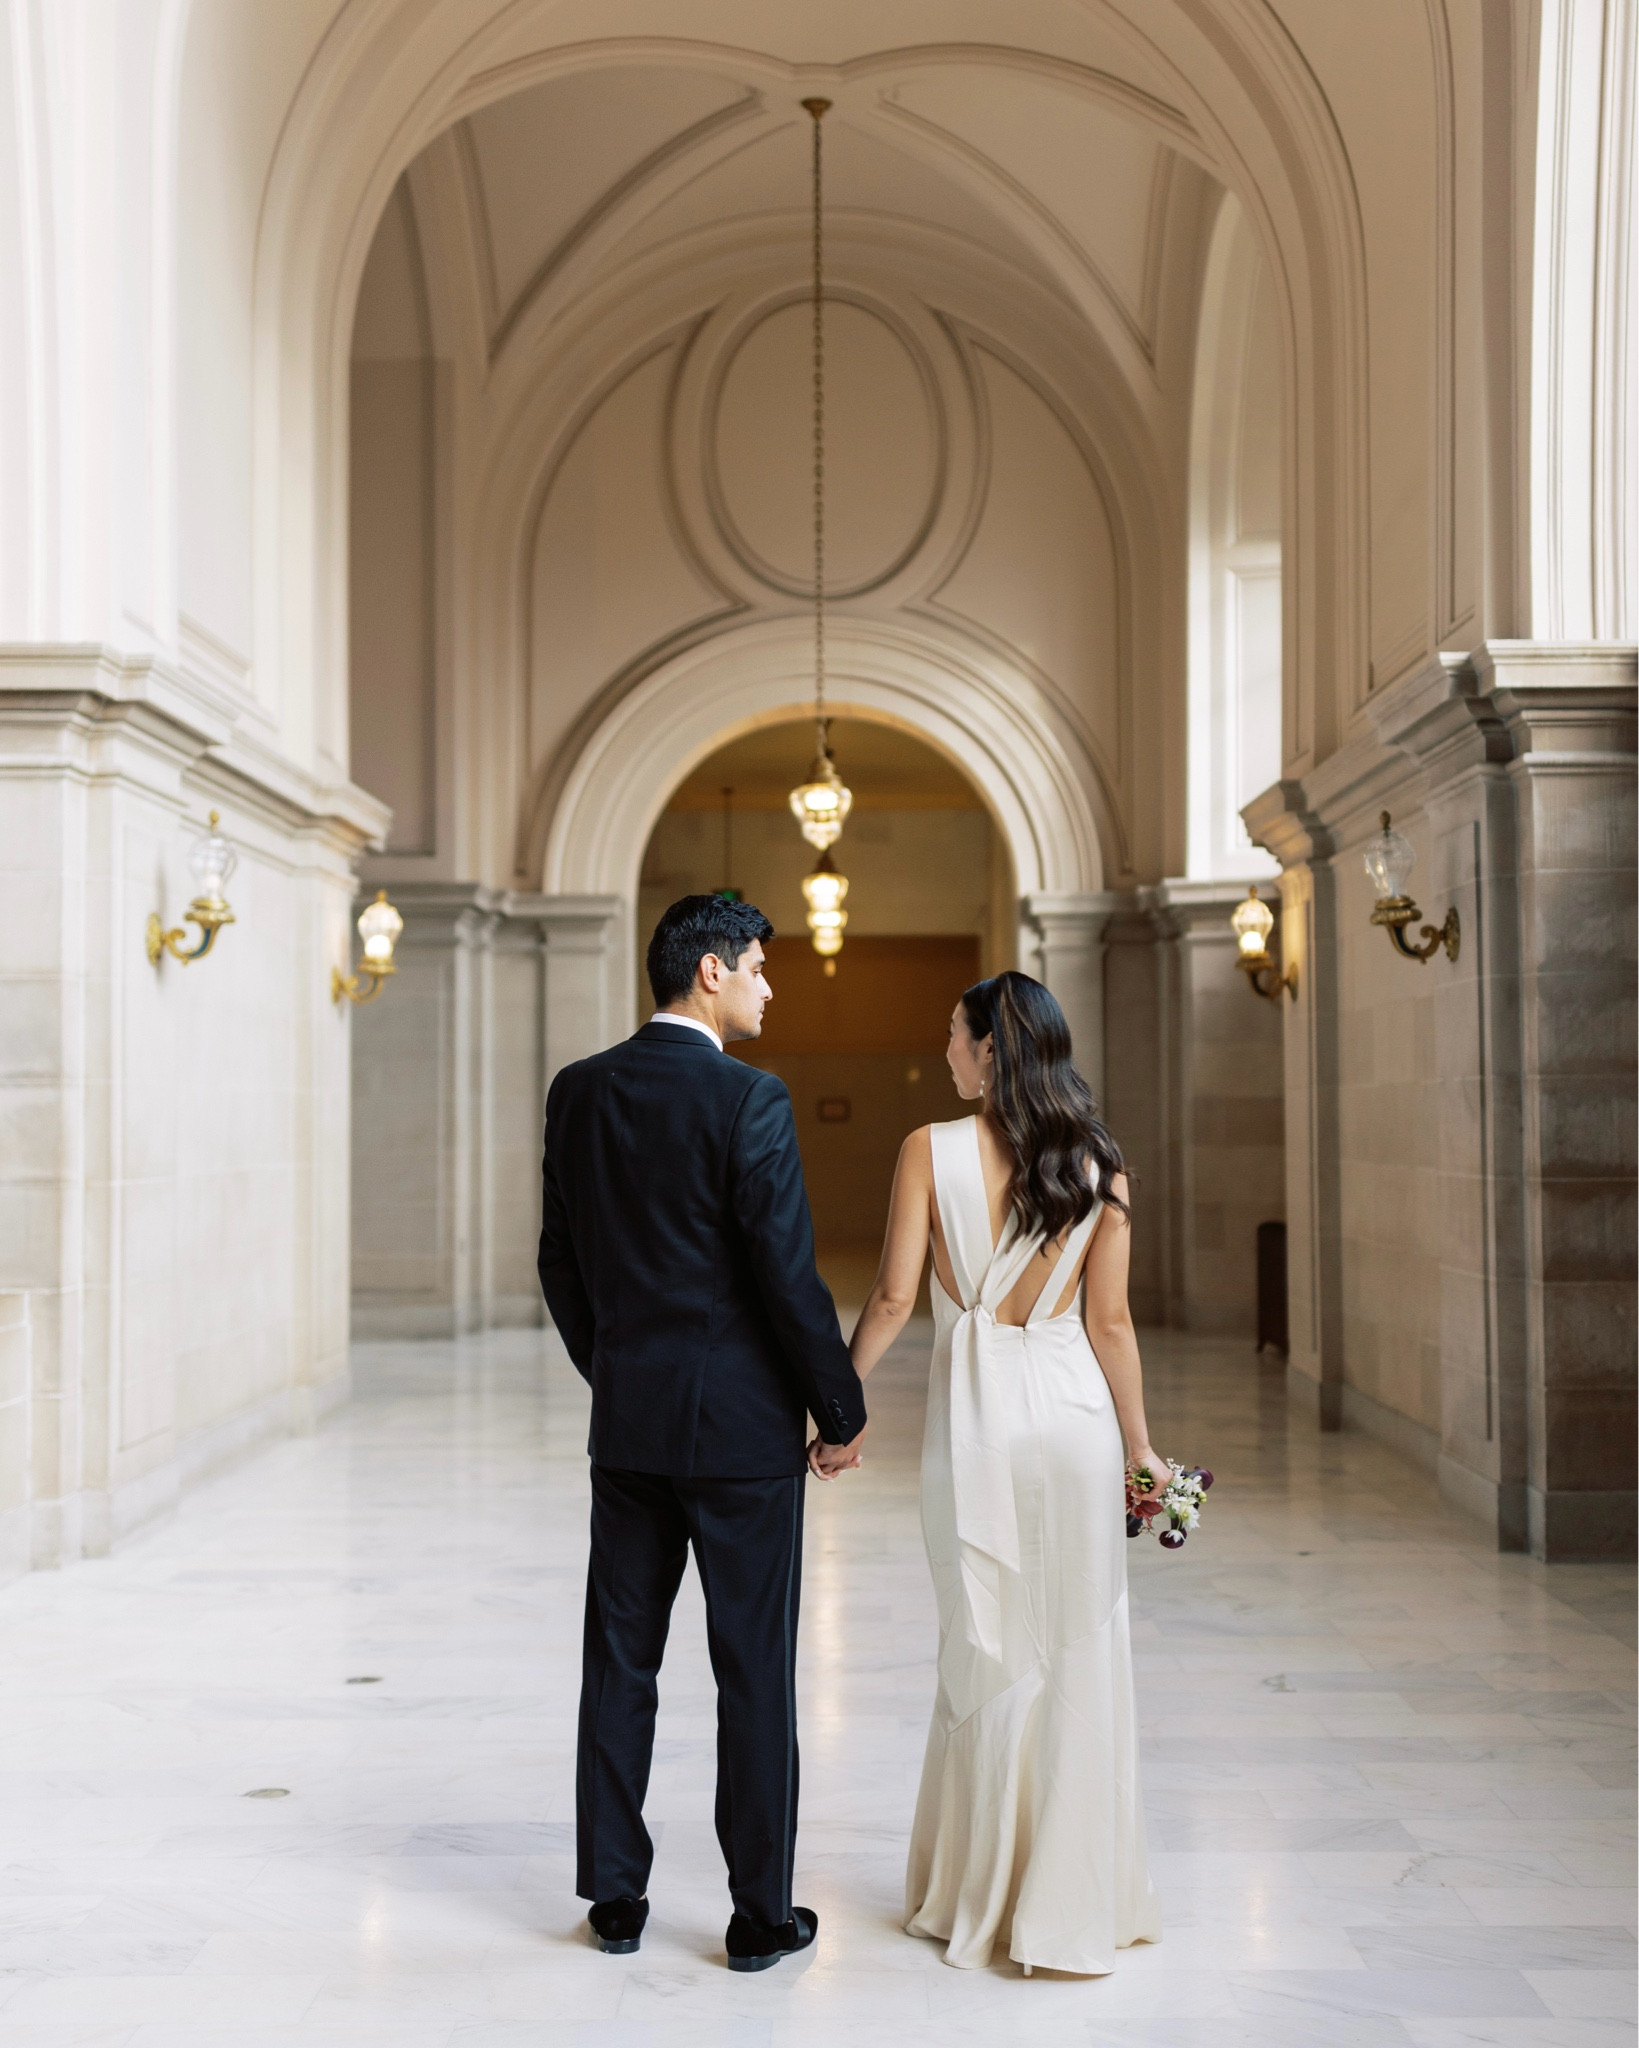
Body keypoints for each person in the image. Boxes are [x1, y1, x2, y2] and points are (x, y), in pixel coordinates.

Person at [538, 895, 867, 1973]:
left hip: (629, 1427)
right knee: (753, 1668)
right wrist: (839, 1406)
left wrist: (618, 1366)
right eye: (762, 968)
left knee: (618, 1660)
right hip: (738, 1437)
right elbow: (785, 1277)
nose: (773, 985)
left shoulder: (579, 1090)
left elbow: (559, 1261)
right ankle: (758, 1914)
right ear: (712, 971)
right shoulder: (748, 1098)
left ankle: (616, 1897)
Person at [825, 969, 1164, 1975]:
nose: (942, 1051)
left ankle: (981, 1893)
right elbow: (1108, 1321)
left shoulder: (926, 1149)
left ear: (991, 1047)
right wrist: (1140, 1447)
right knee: (1077, 1649)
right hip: (1072, 1416)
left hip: (980, 1420)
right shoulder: (1102, 1163)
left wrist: (838, 1410)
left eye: (953, 1035)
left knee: (985, 1641)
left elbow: (891, 1298)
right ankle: (1074, 1899)